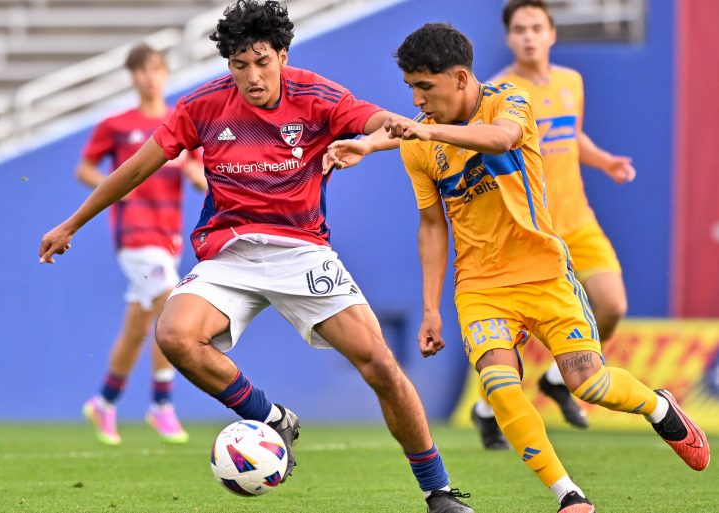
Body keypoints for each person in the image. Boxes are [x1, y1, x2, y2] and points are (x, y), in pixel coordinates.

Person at [40, 2, 473, 511]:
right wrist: (72, 223)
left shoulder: (316, 95)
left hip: (302, 252)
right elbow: (136, 168)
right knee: (174, 335)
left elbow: (371, 118)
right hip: (229, 254)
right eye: (239, 65)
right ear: (227, 65)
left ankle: (438, 489)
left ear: (282, 56)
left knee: (379, 364)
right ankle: (271, 419)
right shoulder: (202, 105)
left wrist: (384, 134)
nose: (253, 76)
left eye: (263, 62)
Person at [326, 22, 709, 513]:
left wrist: (416, 132)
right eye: (411, 90)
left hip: (544, 273)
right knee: (501, 387)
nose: (417, 100)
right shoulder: (420, 146)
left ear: (461, 78)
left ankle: (659, 407)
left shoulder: (511, 99)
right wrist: (429, 309)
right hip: (481, 287)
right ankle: (568, 495)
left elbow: (502, 139)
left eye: (425, 87)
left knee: (589, 383)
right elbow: (431, 227)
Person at [468, 0, 638, 448]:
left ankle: (558, 382)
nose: (528, 36)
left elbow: (569, 134)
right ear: (509, 37)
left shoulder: (571, 82)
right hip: (533, 229)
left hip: (578, 219)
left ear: (551, 33)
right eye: (520, 29)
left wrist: (605, 162)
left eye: (536, 27)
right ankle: (488, 409)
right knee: (520, 327)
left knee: (612, 305)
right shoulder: (500, 91)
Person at [76, 43, 207, 446]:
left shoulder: (181, 122)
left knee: (136, 329)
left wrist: (192, 171)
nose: (149, 77)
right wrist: (116, 186)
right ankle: (162, 404)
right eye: (141, 70)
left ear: (166, 74)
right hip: (134, 238)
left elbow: (202, 177)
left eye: (156, 69)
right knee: (173, 301)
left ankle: (105, 401)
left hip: (168, 238)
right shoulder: (117, 124)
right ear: (132, 77)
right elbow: (84, 168)